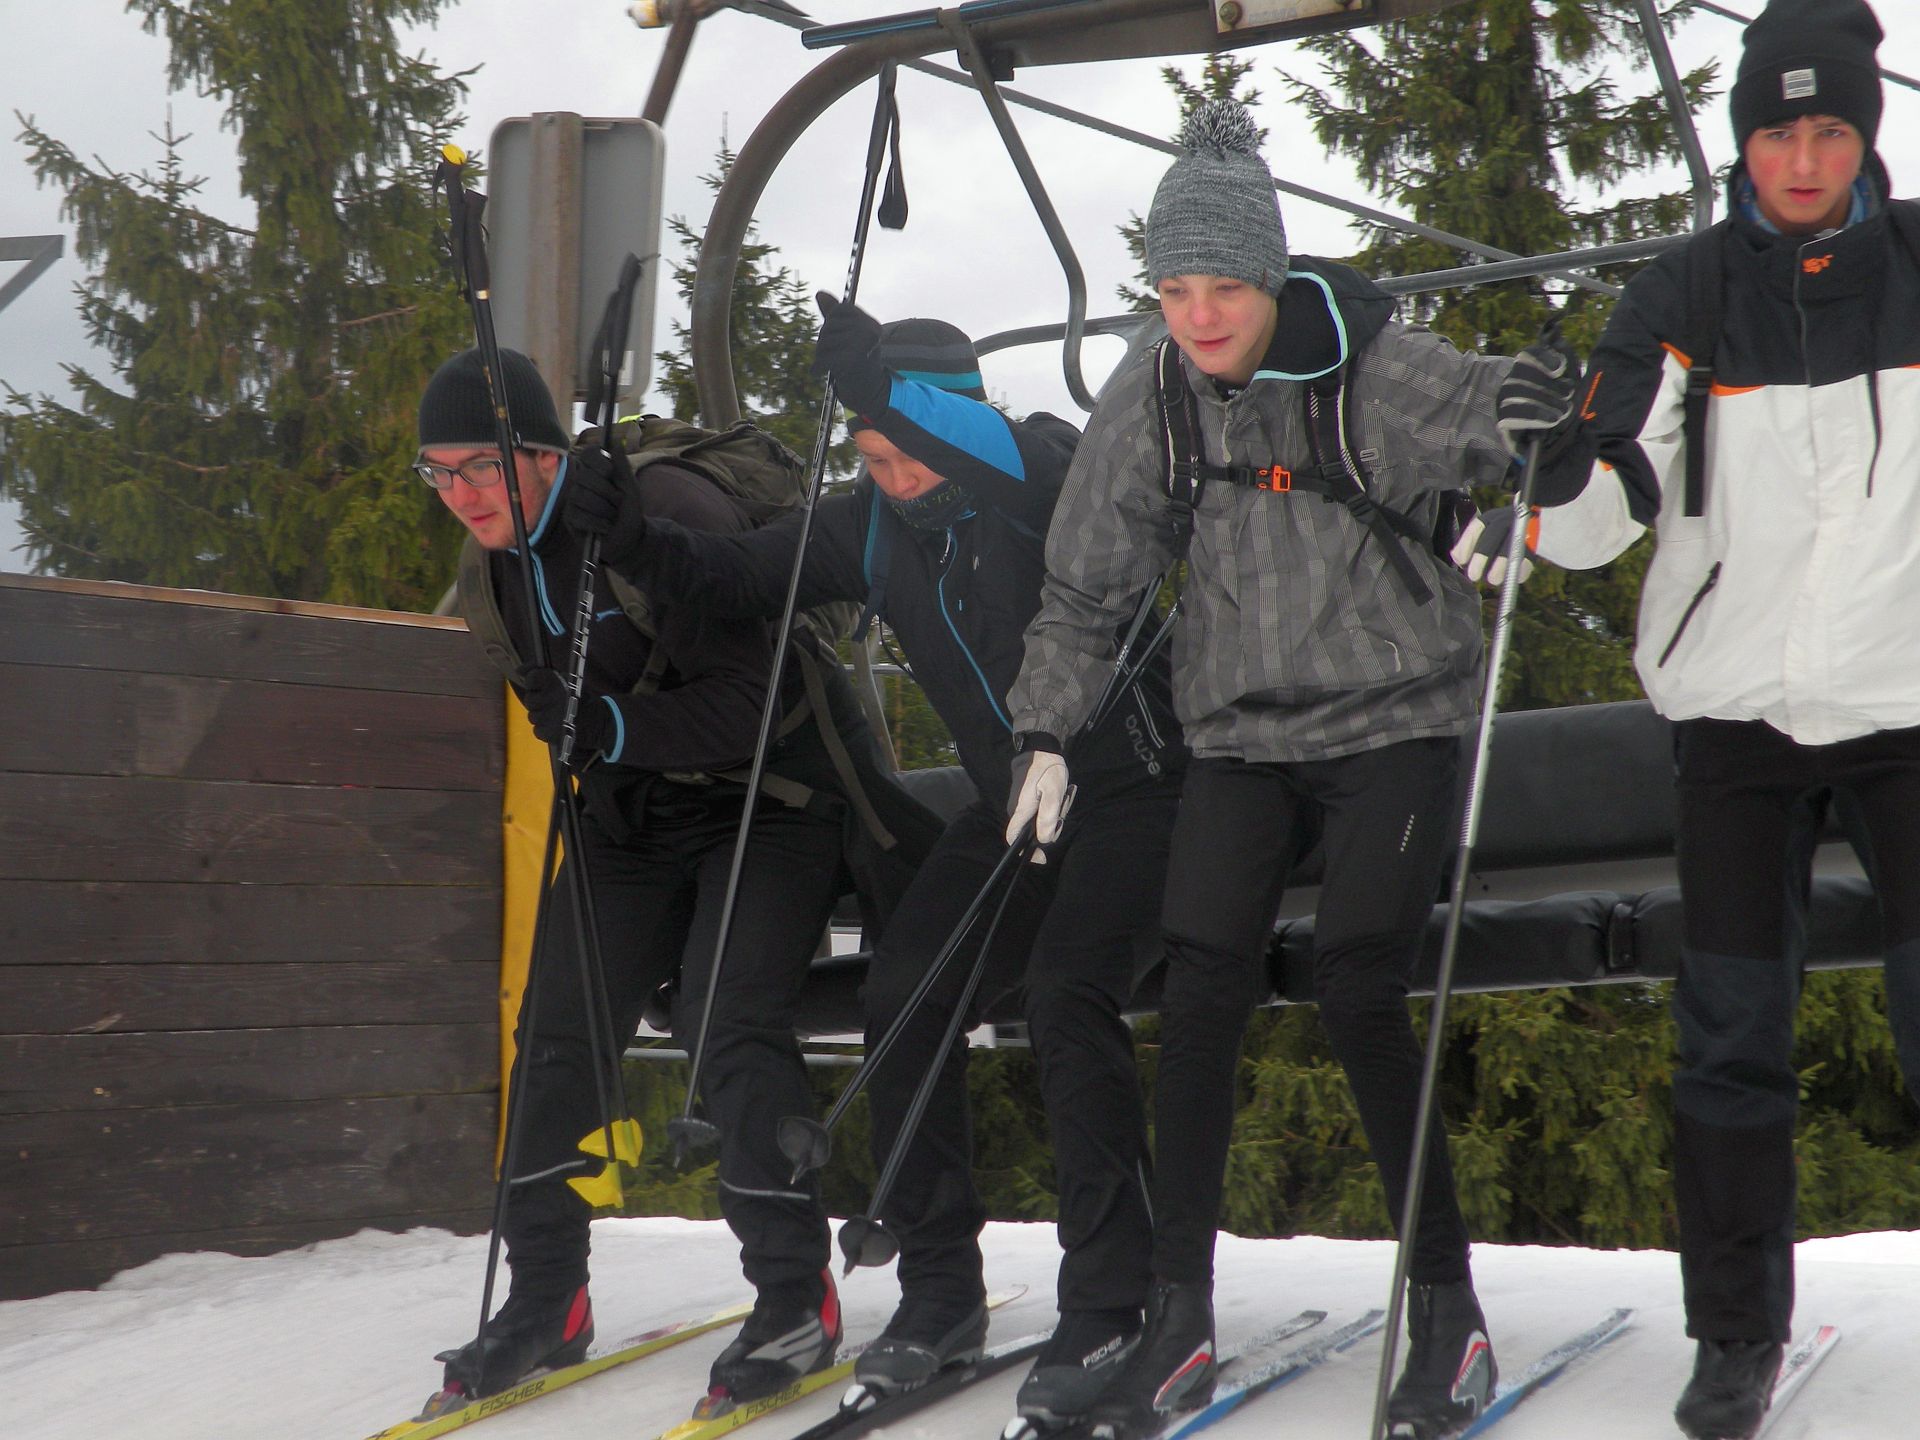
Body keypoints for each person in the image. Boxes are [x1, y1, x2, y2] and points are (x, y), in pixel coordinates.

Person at [1004, 99, 1581, 1440]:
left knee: (1358, 980)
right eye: (1174, 290)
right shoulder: (1154, 390)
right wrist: (1045, 731)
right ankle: (1176, 1316)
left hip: (1393, 721)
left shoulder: (1373, 368)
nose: (1200, 317)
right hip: (1240, 736)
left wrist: (1543, 432)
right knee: (1197, 988)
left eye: (1223, 288)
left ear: (1270, 278)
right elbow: (1087, 583)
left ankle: (1444, 1308)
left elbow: (1508, 415)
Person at [575, 305, 1184, 1424]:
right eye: (872, 457)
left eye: (909, 452)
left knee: (1067, 996)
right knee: (902, 994)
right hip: (1015, 808)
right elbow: (731, 578)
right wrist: (627, 536)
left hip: (1141, 795)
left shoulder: (1044, 475)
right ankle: (941, 1289)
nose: (895, 480)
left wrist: (887, 396)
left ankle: (1113, 1297)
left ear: (956, 417)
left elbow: (1006, 459)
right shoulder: (870, 525)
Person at [1508, 3, 1920, 1436]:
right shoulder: (1682, 290)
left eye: (1831, 129)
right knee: (1731, 1034)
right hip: (1736, 714)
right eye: (1777, 132)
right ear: (1743, 142)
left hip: (1906, 699)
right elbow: (1603, 511)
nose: (1803, 160)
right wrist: (1552, 473)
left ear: (1865, 135)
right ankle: (1736, 1331)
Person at [415, 347, 938, 1414]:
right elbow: (559, 711)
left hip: (773, 795)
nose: (461, 493)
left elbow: (750, 702)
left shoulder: (660, 511)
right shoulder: (495, 567)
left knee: (724, 1018)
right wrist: (594, 741)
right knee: (556, 1028)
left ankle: (792, 1296)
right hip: (631, 811)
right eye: (439, 472)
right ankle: (547, 1297)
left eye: (481, 466)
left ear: (544, 455)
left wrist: (607, 725)